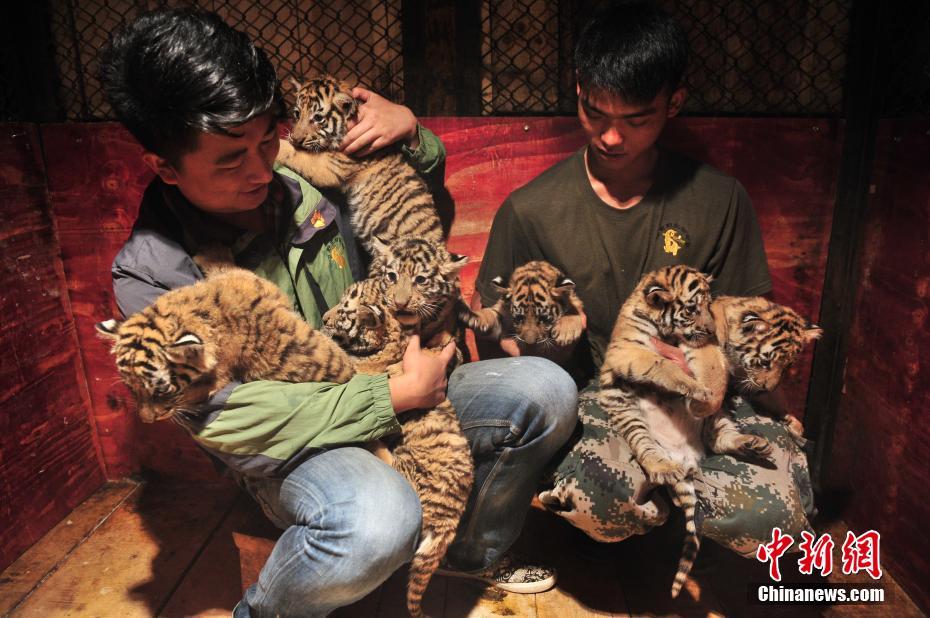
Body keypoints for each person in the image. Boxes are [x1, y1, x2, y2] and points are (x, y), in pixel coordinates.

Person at [99, 9, 577, 617]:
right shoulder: (150, 277)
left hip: (384, 375)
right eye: (229, 160)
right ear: (165, 166)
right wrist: (390, 397)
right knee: (377, 523)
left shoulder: (307, 185)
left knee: (548, 391)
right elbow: (231, 424)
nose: (260, 169)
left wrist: (412, 131)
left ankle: (464, 551)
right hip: (297, 440)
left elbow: (404, 184)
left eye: (268, 139)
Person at [473, 1, 815, 560]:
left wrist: (756, 399)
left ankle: (695, 500)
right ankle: (647, 503)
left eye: (636, 119)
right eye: (595, 113)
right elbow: (493, 335)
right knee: (601, 503)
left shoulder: (719, 199)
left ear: (674, 102)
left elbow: (748, 328)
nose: (611, 137)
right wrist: (543, 345)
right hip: (603, 401)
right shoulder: (532, 209)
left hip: (702, 396)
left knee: (775, 525)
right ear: (577, 87)